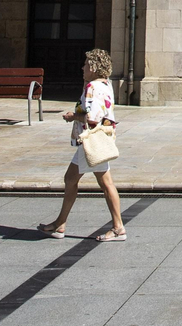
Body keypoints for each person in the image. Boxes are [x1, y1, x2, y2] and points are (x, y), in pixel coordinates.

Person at [38, 49, 126, 241]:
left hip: (92, 140)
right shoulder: (105, 84)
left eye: (86, 64)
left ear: (94, 67)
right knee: (72, 179)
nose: (82, 67)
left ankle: (118, 227)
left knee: (103, 183)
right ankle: (60, 223)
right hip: (97, 139)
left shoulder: (92, 87)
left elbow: (92, 118)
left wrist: (72, 117)